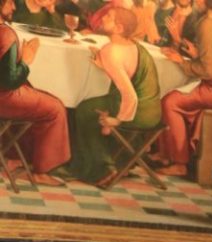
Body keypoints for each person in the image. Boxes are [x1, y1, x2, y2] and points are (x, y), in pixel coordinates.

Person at [69, 3, 161, 185]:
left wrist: (118, 120)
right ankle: (118, 163)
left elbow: (131, 96)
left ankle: (102, 168)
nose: (103, 17)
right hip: (153, 112)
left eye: (108, 17)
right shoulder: (134, 46)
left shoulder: (110, 51)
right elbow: (128, 72)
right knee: (94, 107)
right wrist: (105, 65)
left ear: (119, 28)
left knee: (84, 110)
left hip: (137, 113)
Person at [0, 0, 70, 185]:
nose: (14, 7)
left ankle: (14, 156)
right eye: (9, 3)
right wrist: (26, 60)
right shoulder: (5, 33)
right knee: (55, 108)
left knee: (33, 92)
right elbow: (10, 81)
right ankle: (42, 171)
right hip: (3, 97)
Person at [155, 0, 212, 178]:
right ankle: (168, 154)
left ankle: (179, 163)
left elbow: (208, 71)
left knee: (170, 102)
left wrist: (182, 61)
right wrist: (194, 53)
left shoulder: (207, 24)